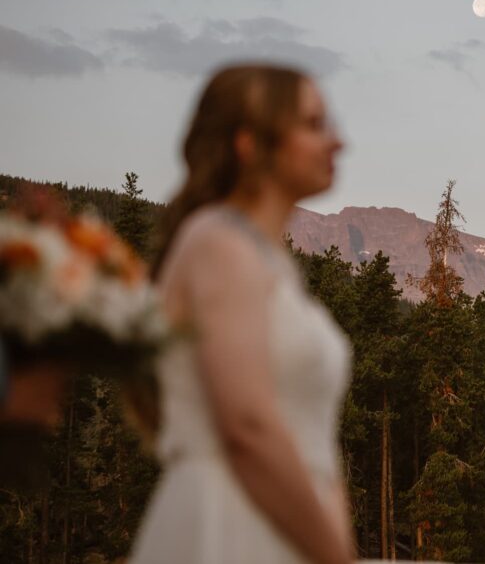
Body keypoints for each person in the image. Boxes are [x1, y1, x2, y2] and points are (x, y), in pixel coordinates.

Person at [131, 65, 355, 564]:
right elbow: (247, 426)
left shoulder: (267, 260)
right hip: (229, 527)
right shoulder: (218, 242)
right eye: (314, 125)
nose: (337, 143)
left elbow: (313, 440)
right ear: (249, 144)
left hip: (288, 529)